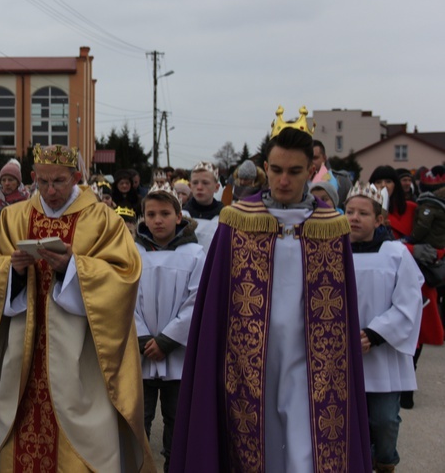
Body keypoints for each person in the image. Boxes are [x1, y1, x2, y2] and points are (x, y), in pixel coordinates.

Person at [170, 106, 372, 472]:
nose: (283, 181)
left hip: (311, 361)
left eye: (294, 172)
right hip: (246, 360)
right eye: (276, 171)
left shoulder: (332, 227)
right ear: (266, 167)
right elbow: (214, 304)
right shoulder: (236, 221)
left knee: (304, 449)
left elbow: (344, 309)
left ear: (311, 171)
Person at [0, 144, 155, 472]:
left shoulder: (101, 219)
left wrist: (73, 268)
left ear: (75, 177)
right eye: (42, 182)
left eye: (59, 181)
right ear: (33, 177)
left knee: (78, 447)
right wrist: (11, 270)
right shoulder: (14, 217)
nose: (50, 190)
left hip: (81, 355)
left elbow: (124, 276)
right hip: (24, 357)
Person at [345, 182, 423, 472]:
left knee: (384, 420)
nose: (354, 218)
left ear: (379, 219)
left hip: (382, 353)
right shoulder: (335, 252)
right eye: (349, 211)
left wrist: (374, 334)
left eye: (363, 213)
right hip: (345, 351)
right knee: (352, 421)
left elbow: (409, 302)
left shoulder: (395, 253)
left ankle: (386, 461)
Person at [134, 191, 205, 472]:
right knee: (138, 422)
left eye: (165, 214)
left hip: (178, 358)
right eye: (151, 215)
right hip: (141, 355)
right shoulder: (131, 252)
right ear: (143, 219)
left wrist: (166, 341)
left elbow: (197, 300)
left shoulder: (195, 254)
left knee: (178, 425)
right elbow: (122, 298)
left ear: (179, 217)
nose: (158, 220)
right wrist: (142, 338)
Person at [369, 164, 444, 408]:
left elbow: (434, 241)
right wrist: (410, 248)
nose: (382, 187)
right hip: (378, 278)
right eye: (378, 182)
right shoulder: (364, 211)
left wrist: (430, 253)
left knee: (416, 331)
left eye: (387, 182)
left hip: (416, 279)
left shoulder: (413, 209)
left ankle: (408, 377)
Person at [183, 161, 223, 253]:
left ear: (216, 187)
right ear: (190, 186)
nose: (199, 187)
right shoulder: (181, 216)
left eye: (205, 183)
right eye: (195, 183)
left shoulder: (224, 218)